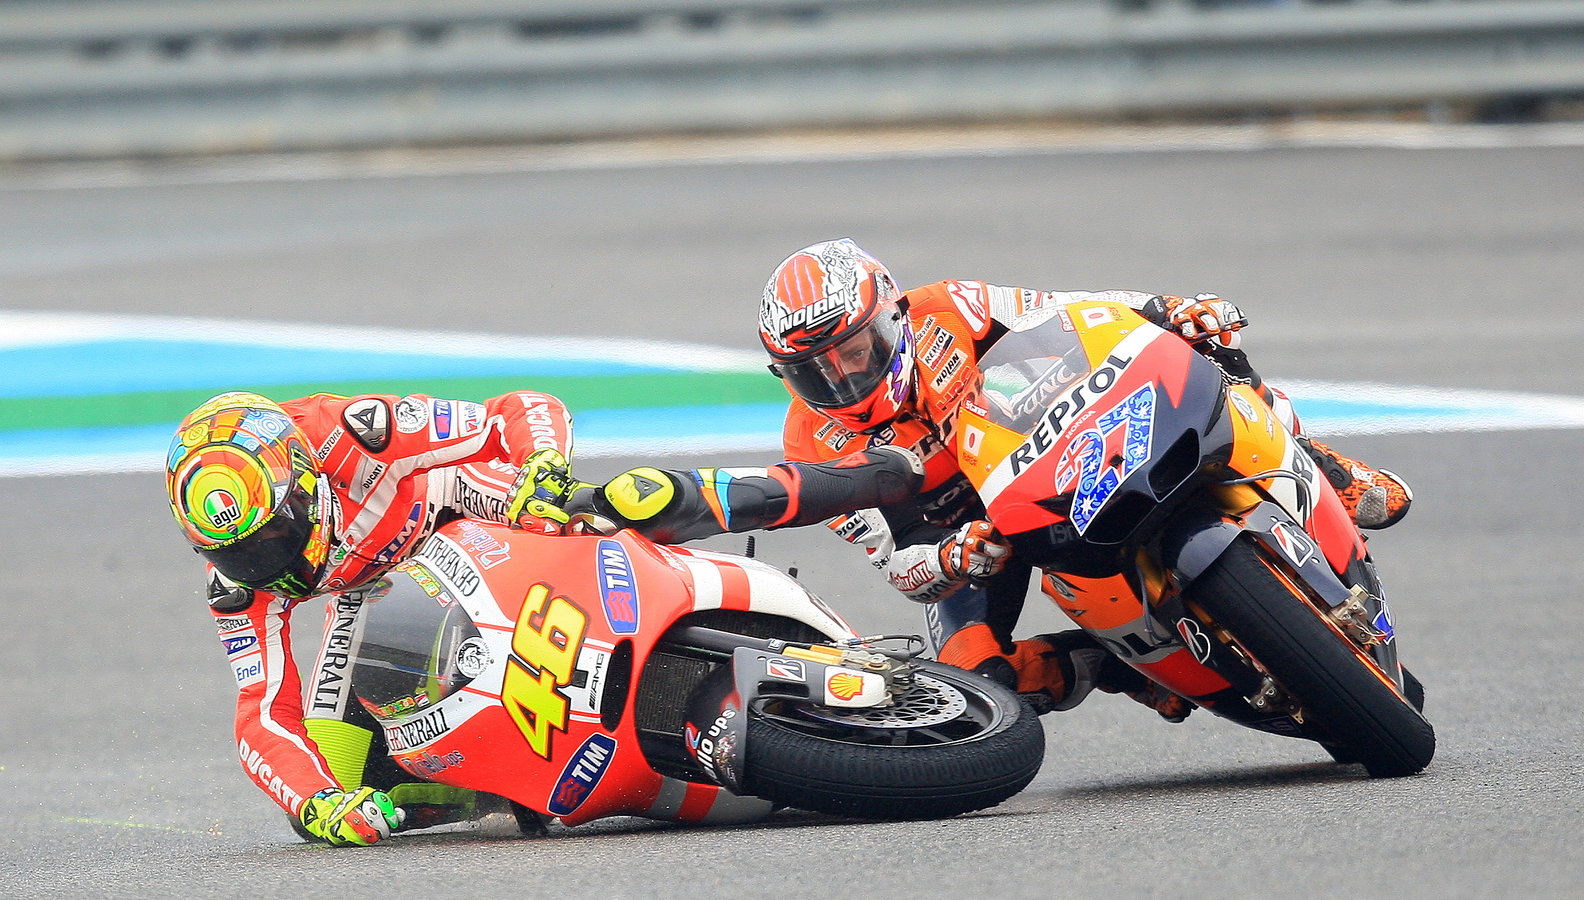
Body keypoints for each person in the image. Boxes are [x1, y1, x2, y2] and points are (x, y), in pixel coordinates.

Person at [570, 238, 1413, 721]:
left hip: (1059, 446)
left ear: (891, 315)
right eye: (815, 372)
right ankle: (1120, 668)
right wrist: (951, 560)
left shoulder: (953, 305)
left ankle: (1327, 472)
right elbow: (897, 566)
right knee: (978, 685)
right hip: (977, 533)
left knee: (1212, 360)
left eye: (854, 354)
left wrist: (1170, 310)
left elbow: (1084, 313)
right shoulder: (814, 438)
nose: (845, 383)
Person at [165, 389, 579, 846]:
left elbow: (521, 408)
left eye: (278, 532)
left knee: (569, 511)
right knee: (323, 803)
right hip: (371, 591)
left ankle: (660, 558)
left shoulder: (357, 432)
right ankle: (494, 790)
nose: (267, 564)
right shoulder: (236, 588)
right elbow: (262, 713)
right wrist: (317, 800)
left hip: (454, 505)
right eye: (240, 555)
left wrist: (543, 464)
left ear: (304, 481)